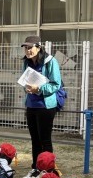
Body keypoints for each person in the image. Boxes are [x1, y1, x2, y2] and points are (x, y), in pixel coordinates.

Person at [20, 36, 62, 167]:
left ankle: (48, 169)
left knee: (45, 140)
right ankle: (36, 167)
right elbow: (25, 81)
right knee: (35, 140)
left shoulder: (50, 61)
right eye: (25, 48)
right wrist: (27, 88)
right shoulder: (26, 62)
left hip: (46, 106)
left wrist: (39, 88)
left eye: (30, 47)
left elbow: (56, 84)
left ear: (38, 48)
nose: (27, 51)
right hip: (31, 105)